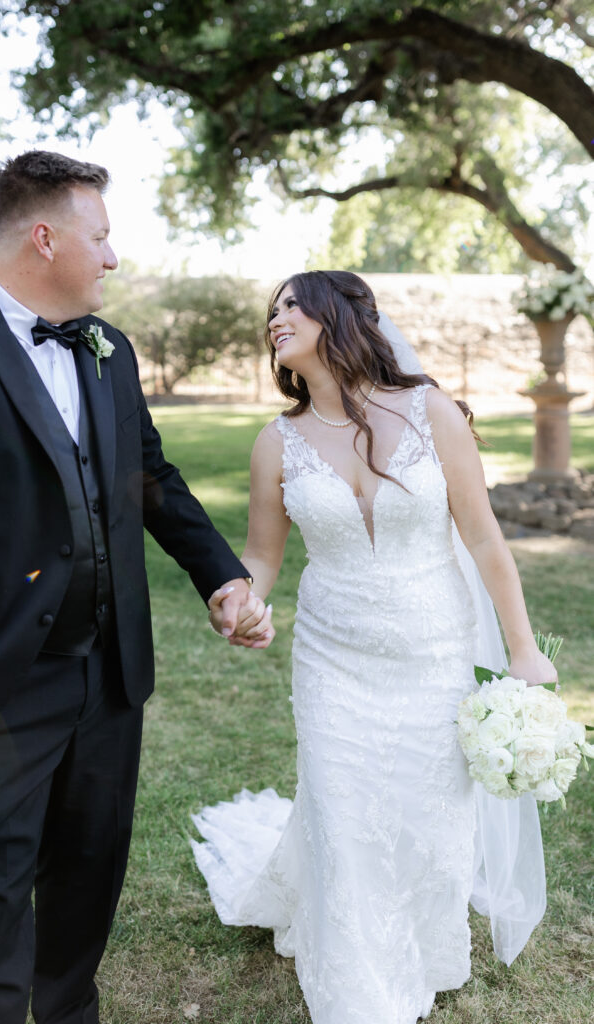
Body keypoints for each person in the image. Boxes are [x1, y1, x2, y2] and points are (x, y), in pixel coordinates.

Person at [0, 150, 269, 1024]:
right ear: (44, 237)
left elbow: (150, 479)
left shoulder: (111, 351)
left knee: (85, 889)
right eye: (100, 237)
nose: (113, 257)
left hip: (109, 679)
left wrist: (220, 575)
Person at [198, 271, 556, 1024]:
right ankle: (356, 984)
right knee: (341, 809)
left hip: (434, 649)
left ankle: (425, 945)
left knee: (428, 814)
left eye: (291, 305)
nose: (275, 319)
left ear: (339, 317)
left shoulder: (431, 414)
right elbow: (262, 557)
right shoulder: (277, 441)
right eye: (271, 311)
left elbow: (483, 538)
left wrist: (522, 652)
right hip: (332, 655)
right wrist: (241, 599)